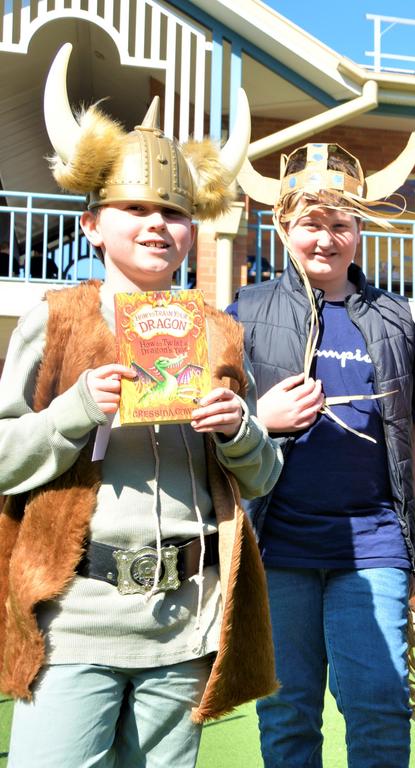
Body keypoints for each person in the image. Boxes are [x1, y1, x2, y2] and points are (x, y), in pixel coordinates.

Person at [0, 45, 281, 767]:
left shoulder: (218, 329)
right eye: (134, 209)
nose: (156, 225)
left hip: (183, 625)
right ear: (91, 224)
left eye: (173, 212)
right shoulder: (54, 319)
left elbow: (263, 477)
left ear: (194, 229)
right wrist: (74, 412)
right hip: (75, 623)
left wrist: (239, 430)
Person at [232, 136, 415, 767]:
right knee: (287, 714)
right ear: (284, 225)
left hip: (373, 543)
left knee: (378, 705)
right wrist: (261, 418)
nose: (325, 239)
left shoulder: (393, 317)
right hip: (278, 547)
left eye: (339, 224)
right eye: (309, 224)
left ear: (359, 229)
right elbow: (211, 426)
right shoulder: (246, 311)